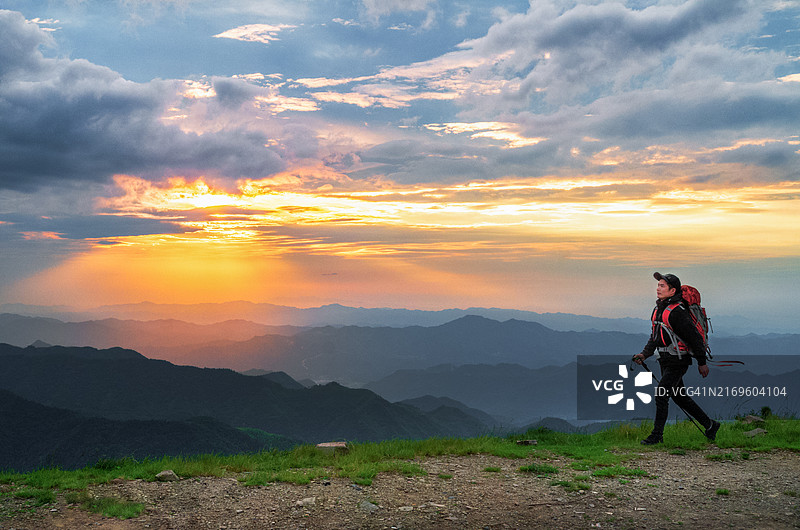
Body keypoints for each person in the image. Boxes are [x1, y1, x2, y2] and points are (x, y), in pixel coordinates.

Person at [633, 272, 720, 445]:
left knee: (661, 395)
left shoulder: (678, 312)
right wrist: (644, 354)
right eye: (658, 285)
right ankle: (710, 425)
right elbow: (655, 336)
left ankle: (657, 436)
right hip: (665, 359)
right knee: (679, 396)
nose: (658, 288)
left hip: (678, 361)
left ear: (673, 291)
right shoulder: (659, 309)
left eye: (662, 286)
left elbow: (694, 338)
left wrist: (701, 363)